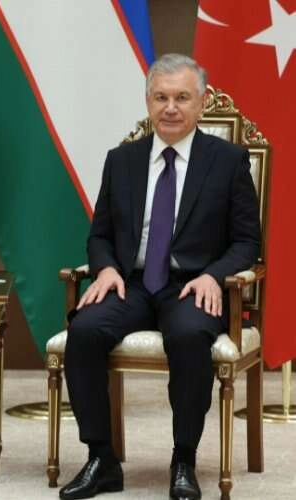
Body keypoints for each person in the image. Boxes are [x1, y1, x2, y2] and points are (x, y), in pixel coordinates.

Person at [58, 53, 260, 500]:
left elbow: (248, 242)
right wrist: (105, 268)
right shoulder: (122, 160)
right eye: (161, 97)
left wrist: (214, 276)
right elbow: (100, 234)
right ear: (148, 101)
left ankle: (183, 460)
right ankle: (101, 459)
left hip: (193, 286)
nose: (170, 108)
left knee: (188, 336)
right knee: (84, 331)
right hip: (130, 283)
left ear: (201, 103)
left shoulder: (228, 161)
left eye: (182, 98)